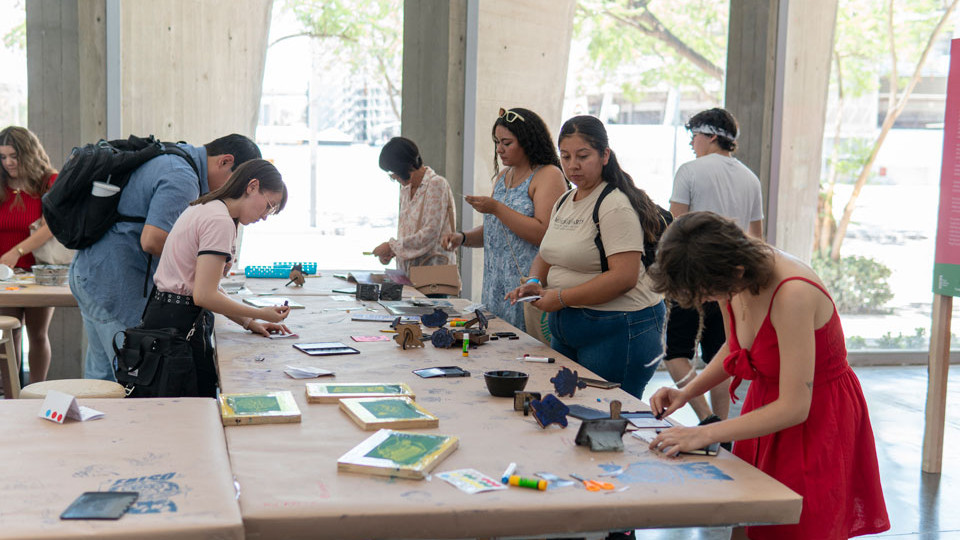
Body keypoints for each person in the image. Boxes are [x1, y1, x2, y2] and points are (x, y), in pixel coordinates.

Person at [647, 212, 890, 540]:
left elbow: (795, 407)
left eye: (706, 293)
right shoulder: (729, 279)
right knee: (748, 522)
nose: (706, 300)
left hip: (815, 419)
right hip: (765, 408)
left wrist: (705, 433)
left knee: (795, 527)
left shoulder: (793, 294)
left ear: (735, 271)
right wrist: (687, 393)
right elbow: (738, 349)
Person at [70, 133, 262, 381]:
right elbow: (152, 239)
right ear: (225, 161)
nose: (233, 192)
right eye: (236, 182)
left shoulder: (176, 157)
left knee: (101, 379)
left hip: (92, 272)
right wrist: (205, 261)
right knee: (127, 380)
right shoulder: (182, 177)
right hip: (114, 281)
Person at [506, 115, 667, 400]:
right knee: (569, 415)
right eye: (565, 157)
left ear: (605, 155)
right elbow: (547, 253)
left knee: (605, 417)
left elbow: (624, 277)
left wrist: (563, 297)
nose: (573, 166)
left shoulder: (614, 204)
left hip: (618, 330)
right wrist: (534, 281)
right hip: (570, 328)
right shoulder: (566, 200)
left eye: (583, 156)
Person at [148, 159, 290, 398]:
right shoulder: (220, 221)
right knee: (191, 412)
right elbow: (204, 295)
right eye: (268, 206)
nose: (265, 216)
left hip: (166, 315)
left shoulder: (206, 207)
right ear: (252, 186)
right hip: (179, 326)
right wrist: (260, 313)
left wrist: (248, 322)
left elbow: (206, 286)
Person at [665, 108, 765, 423]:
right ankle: (721, 432)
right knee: (719, 357)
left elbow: (675, 229)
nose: (692, 143)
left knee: (676, 355)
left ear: (710, 136)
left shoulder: (690, 170)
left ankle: (706, 419)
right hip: (731, 283)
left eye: (694, 136)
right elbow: (757, 240)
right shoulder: (751, 178)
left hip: (693, 279)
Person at [441, 107, 566, 331]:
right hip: (494, 289)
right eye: (497, 142)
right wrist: (462, 237)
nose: (499, 149)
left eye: (507, 143)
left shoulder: (548, 175)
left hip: (526, 287)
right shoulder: (502, 177)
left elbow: (544, 234)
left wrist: (497, 208)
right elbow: (495, 230)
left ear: (527, 141)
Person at [0, 126, 59, 384]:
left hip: (39, 274)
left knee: (37, 334)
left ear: (29, 153)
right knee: (8, 335)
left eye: (14, 156)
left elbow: (51, 227)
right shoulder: (1, 184)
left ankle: (36, 393)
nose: (8, 163)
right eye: (2, 157)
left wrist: (17, 251)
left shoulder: (50, 182)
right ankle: (12, 397)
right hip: (5, 275)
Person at [372, 137, 456, 276]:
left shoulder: (436, 184)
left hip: (432, 276)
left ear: (405, 166)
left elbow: (430, 234)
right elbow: (407, 233)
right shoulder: (405, 189)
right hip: (407, 274)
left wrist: (392, 246)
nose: (393, 177)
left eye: (393, 172)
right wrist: (392, 252)